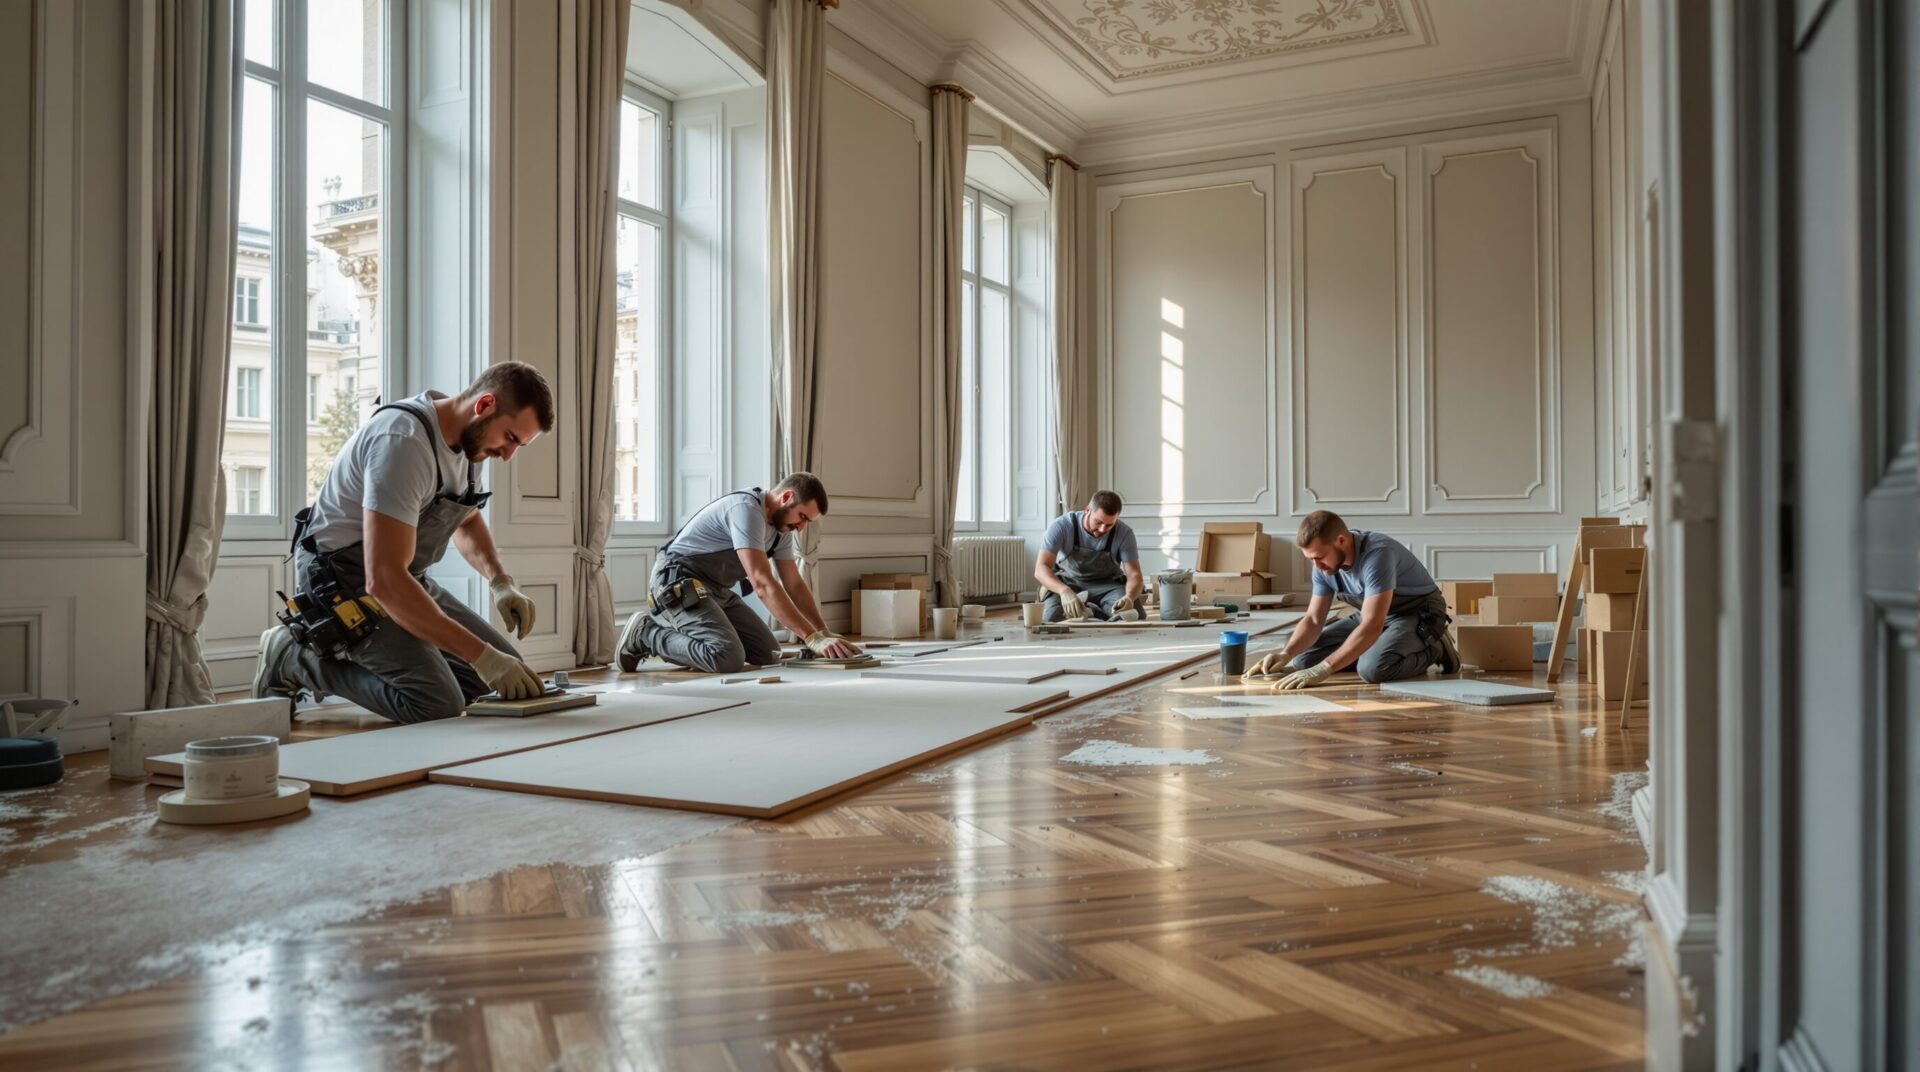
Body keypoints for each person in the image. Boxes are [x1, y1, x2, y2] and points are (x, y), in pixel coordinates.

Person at [251, 362, 556, 722]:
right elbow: (383, 581)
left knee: (507, 680)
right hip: (343, 581)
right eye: (510, 439)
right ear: (484, 405)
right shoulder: (403, 442)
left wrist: (500, 582)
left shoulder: (471, 444)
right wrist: (482, 656)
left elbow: (465, 518)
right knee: (436, 703)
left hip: (402, 575)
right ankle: (293, 658)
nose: (508, 455)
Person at [615, 473, 859, 674]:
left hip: (716, 589)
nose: (802, 528)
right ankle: (645, 634)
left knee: (768, 654)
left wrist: (823, 633)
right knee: (726, 657)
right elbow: (763, 585)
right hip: (678, 581)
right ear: (786, 497)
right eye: (802, 517)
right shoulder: (746, 510)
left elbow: (794, 584)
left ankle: (695, 638)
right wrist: (811, 638)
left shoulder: (780, 529)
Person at [1246, 509, 1460, 688]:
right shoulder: (1323, 566)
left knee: (1372, 669)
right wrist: (1285, 654)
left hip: (1416, 613)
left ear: (1341, 540)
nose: (1316, 567)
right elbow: (1313, 620)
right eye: (1311, 559)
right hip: (1375, 615)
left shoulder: (1378, 554)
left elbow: (1371, 624)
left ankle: (1435, 648)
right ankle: (1376, 649)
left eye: (1319, 557)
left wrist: (1325, 668)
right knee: (1303, 660)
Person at [1035, 491, 1146, 622]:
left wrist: (1129, 596)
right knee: (1052, 618)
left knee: (1130, 615)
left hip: (1108, 586)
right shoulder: (1061, 526)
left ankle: (1091, 611)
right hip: (1069, 582)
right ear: (1087, 510)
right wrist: (1064, 591)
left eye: (1109, 525)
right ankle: (1089, 610)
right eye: (1098, 522)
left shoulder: (1124, 533)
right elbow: (1041, 569)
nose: (1103, 529)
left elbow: (1134, 574)